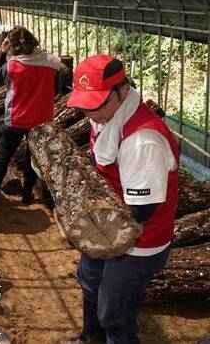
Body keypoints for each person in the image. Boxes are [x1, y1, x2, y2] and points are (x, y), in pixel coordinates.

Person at [61, 55, 178, 344]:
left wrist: (86, 222)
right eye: (85, 106)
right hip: (107, 224)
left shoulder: (142, 141)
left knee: (113, 312)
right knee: (89, 282)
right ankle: (91, 337)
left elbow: (141, 209)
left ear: (122, 90)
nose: (92, 113)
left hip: (139, 239)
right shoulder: (107, 115)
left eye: (98, 104)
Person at [0, 26, 61, 204]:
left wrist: (1, 53)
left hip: (16, 118)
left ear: (12, 46)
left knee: (4, 154)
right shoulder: (52, 62)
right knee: (33, 156)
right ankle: (27, 194)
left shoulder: (13, 64)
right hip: (42, 119)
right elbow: (57, 91)